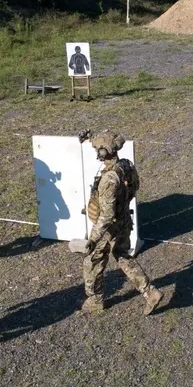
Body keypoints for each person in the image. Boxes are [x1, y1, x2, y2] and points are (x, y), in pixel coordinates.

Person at [78, 129, 163, 316]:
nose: (96, 151)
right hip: (124, 220)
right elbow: (135, 187)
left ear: (103, 153)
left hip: (108, 227)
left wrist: (92, 239)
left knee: (92, 261)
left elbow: (106, 216)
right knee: (123, 256)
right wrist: (89, 138)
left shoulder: (108, 179)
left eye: (98, 148)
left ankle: (95, 300)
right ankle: (150, 292)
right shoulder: (126, 166)